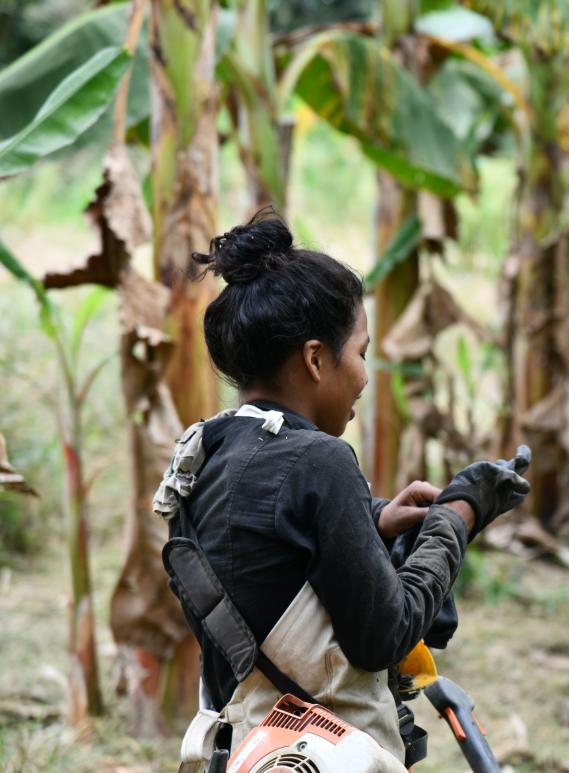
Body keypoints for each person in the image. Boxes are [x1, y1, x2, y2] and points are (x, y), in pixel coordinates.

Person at [154, 212, 529, 770]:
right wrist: (458, 515)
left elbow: (258, 548)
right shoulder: (321, 459)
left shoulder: (204, 451)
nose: (364, 375)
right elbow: (386, 635)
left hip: (242, 751)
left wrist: (372, 519)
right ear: (314, 359)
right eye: (360, 352)